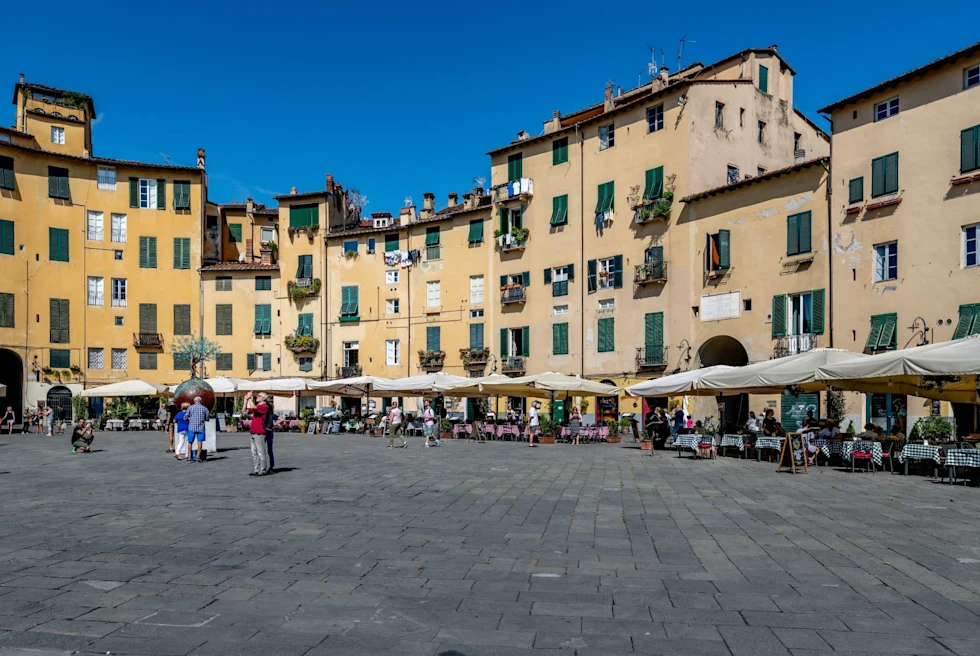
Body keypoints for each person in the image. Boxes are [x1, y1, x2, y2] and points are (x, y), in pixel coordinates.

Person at [244, 393, 270, 476]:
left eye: (259, 396)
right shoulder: (258, 406)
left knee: (261, 452)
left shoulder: (264, 407)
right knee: (254, 452)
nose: (257, 397)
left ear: (264, 398)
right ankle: (256, 469)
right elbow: (244, 410)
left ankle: (263, 469)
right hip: (253, 431)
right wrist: (246, 400)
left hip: (260, 432)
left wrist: (250, 398)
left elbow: (254, 407)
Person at [184, 396, 210, 463]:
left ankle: (189, 458)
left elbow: (186, 417)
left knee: (190, 442)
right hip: (201, 427)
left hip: (191, 427)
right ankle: (198, 457)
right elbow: (207, 418)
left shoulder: (190, 407)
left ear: (194, 401)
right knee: (200, 442)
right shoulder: (204, 408)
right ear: (201, 401)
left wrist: (189, 418)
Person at [264, 396, 276, 473]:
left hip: (265, 430)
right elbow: (281, 419)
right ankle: (271, 466)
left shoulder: (267, 411)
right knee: (269, 450)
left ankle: (263, 467)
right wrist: (274, 425)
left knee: (262, 450)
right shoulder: (271, 412)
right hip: (270, 430)